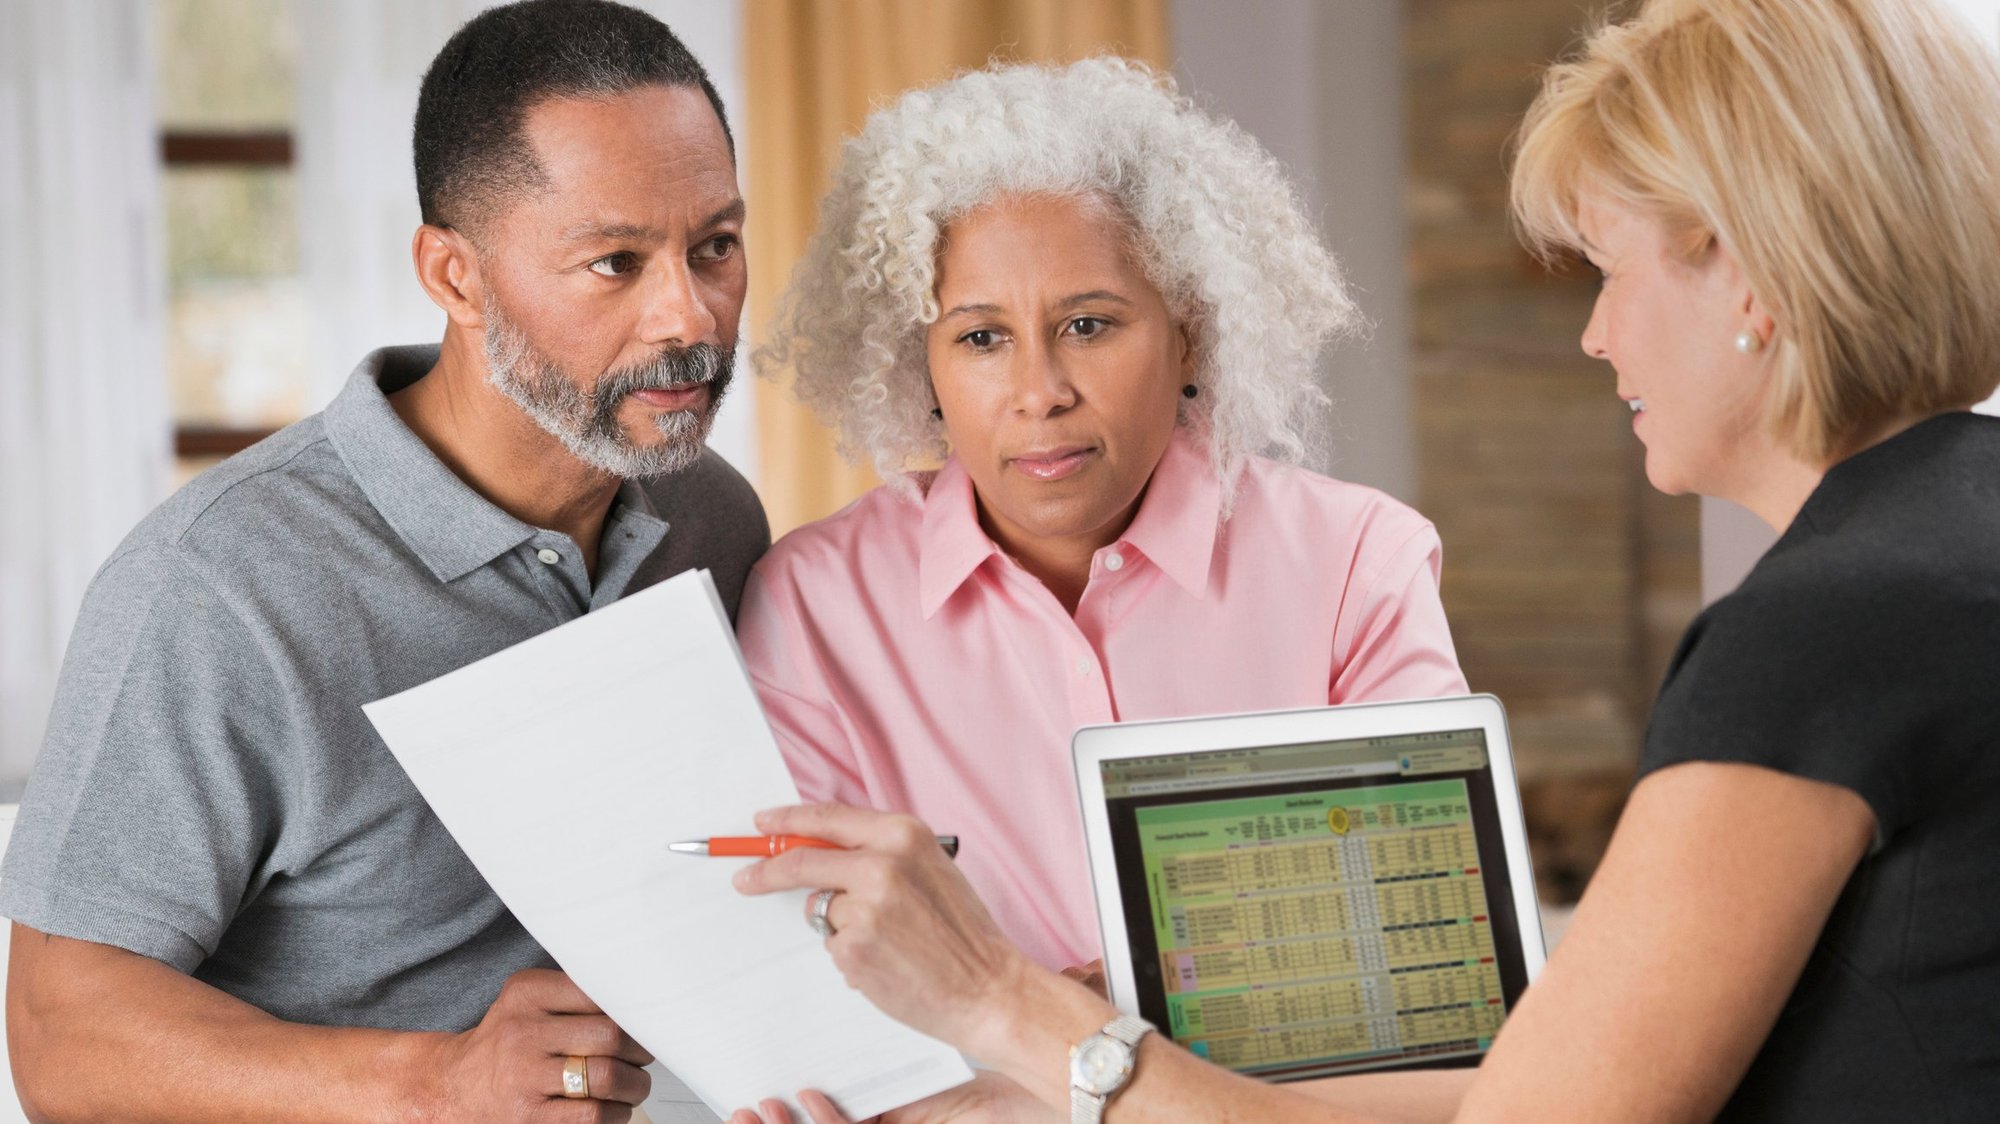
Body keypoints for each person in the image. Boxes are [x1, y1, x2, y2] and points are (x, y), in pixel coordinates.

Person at [729, 0, 2000, 1120]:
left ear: (1748, 274)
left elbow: (1493, 1079)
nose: (1595, 336)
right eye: (980, 339)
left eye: (1606, 271)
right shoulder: (1951, 540)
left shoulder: (1813, 633)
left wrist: (1010, 1009)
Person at [0, 2, 766, 1119]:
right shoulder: (214, 582)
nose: (687, 315)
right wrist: (438, 1079)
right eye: (615, 262)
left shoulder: (713, 521)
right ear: (455, 278)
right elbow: (58, 1035)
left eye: (716, 246)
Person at [736, 59, 1467, 979]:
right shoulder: (814, 607)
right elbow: (797, 964)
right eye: (980, 339)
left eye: (1089, 324)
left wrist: (1039, 1011)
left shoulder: (1359, 565)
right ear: (918, 364)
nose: (1039, 393)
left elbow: (1423, 940)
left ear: (1189, 327)